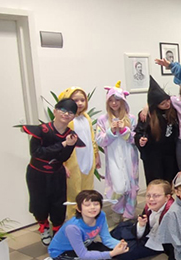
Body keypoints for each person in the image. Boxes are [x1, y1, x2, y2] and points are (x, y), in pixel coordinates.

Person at [26, 190, 129, 260]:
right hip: (63, 252)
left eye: (96, 204)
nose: (92, 207)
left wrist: (120, 245)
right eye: (87, 205)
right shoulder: (73, 227)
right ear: (79, 208)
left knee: (113, 251)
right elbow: (83, 254)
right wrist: (111, 254)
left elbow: (107, 238)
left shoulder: (101, 216)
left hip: (83, 245)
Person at [20, 99, 81, 245]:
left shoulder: (71, 135)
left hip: (57, 174)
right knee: (39, 204)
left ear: (73, 116)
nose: (66, 114)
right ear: (55, 111)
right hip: (37, 174)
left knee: (59, 204)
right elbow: (37, 153)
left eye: (70, 112)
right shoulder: (41, 130)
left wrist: (68, 146)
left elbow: (63, 157)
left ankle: (58, 232)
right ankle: (44, 227)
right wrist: (63, 144)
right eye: (63, 110)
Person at [95, 83, 140, 220]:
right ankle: (118, 209)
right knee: (117, 186)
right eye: (111, 100)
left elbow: (135, 139)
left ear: (123, 101)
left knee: (131, 185)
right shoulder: (102, 120)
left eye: (117, 100)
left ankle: (129, 212)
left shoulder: (131, 118)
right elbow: (100, 140)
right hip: (113, 157)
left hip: (129, 156)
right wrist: (112, 131)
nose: (114, 103)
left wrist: (124, 130)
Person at [58, 87, 100, 218]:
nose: (80, 103)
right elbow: (60, 143)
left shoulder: (86, 117)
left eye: (82, 100)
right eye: (75, 100)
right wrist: (63, 164)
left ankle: (87, 218)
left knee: (88, 191)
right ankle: (73, 220)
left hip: (87, 159)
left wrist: (96, 155)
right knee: (74, 193)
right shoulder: (66, 120)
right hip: (73, 163)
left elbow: (91, 139)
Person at [111, 179, 174, 260]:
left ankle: (111, 249)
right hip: (146, 232)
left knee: (124, 254)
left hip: (156, 241)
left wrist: (173, 258)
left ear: (167, 197)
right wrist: (141, 225)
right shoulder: (150, 206)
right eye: (148, 195)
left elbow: (177, 238)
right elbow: (143, 225)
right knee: (119, 229)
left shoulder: (171, 213)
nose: (151, 199)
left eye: (156, 196)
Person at [135, 77, 179, 184]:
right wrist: (141, 140)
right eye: (163, 103)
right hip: (154, 156)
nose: (167, 104)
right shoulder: (147, 116)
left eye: (167, 101)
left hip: (170, 154)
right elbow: (139, 132)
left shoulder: (174, 110)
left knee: (170, 182)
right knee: (156, 182)